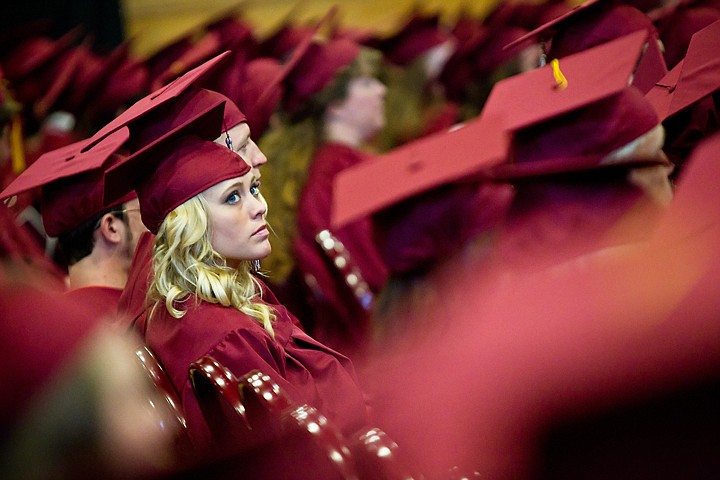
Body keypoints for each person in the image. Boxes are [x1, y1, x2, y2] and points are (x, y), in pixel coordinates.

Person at [103, 106, 370, 461]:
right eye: (233, 197)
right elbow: (302, 453)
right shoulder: (226, 336)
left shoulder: (201, 303)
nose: (259, 207)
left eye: (253, 189)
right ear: (190, 227)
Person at [260, 36, 389, 359]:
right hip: (375, 351)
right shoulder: (342, 176)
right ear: (334, 102)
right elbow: (372, 282)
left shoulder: (327, 166)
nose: (381, 90)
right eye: (365, 82)